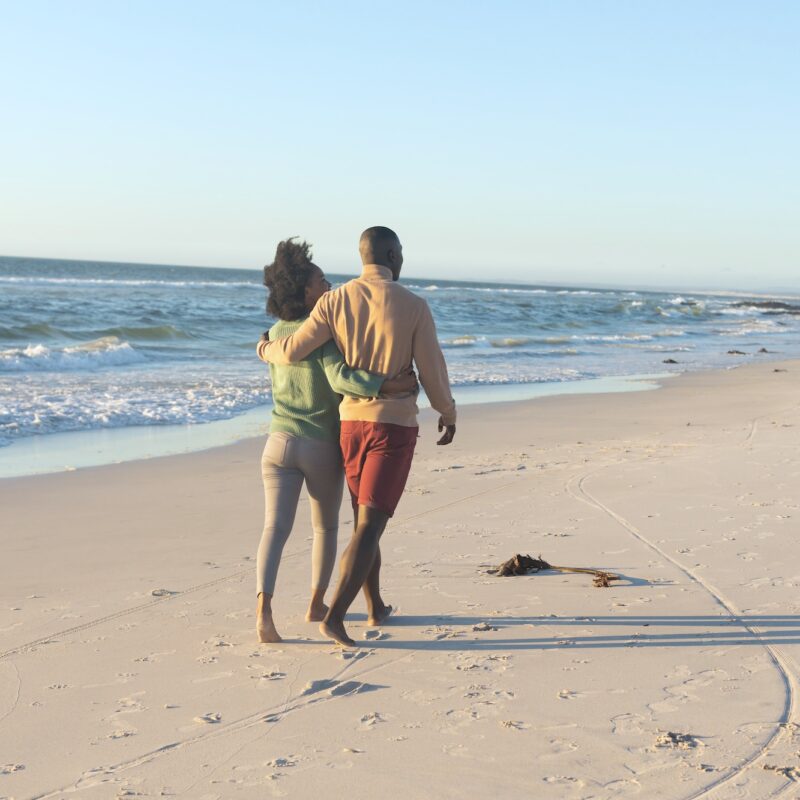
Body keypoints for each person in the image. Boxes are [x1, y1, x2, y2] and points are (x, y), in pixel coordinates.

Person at [257, 226, 457, 646]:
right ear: (391, 255)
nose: (402, 259)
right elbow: (431, 367)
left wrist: (263, 349)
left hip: (349, 427)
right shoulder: (414, 305)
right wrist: (447, 410)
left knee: (365, 522)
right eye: (400, 252)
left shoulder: (334, 301)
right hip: (392, 425)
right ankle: (333, 617)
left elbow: (292, 349)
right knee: (369, 524)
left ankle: (375, 605)